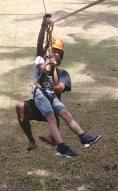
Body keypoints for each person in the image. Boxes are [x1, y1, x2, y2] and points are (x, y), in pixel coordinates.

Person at [15, 15, 102, 158]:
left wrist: (53, 67)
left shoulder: (61, 71)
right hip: (41, 94)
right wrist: (45, 28)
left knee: (67, 115)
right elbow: (42, 64)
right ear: (47, 51)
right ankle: (61, 148)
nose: (55, 53)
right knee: (52, 120)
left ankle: (84, 137)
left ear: (62, 57)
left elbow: (57, 85)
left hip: (51, 96)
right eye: (53, 50)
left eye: (58, 53)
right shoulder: (40, 59)